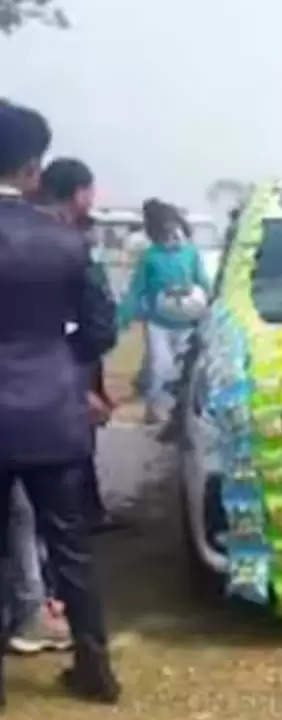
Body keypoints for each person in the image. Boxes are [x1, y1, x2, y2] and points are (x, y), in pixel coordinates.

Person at [0, 100, 120, 704]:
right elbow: (101, 328)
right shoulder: (67, 242)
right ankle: (96, 668)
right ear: (32, 168)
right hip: (51, 410)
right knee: (70, 545)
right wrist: (63, 370)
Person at [38, 158, 122, 533]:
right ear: (79, 193)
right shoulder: (71, 243)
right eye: (89, 190)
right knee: (71, 444)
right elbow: (98, 321)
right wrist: (80, 378)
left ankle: (85, 511)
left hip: (43, 359)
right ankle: (76, 519)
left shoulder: (24, 233)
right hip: (67, 358)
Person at [117, 199, 211, 424]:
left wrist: (209, 306)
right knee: (159, 366)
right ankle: (152, 408)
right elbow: (137, 289)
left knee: (181, 370)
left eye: (174, 231)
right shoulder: (150, 256)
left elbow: (203, 282)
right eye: (165, 233)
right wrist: (125, 316)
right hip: (158, 323)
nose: (171, 237)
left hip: (187, 322)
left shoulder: (191, 254)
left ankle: (176, 415)